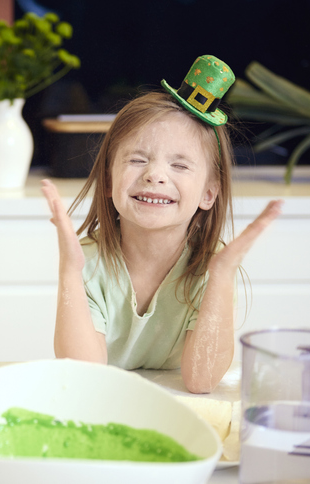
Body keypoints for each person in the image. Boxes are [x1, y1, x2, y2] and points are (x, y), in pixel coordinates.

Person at [41, 55, 283, 393]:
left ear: (209, 193)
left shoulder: (211, 266)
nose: (154, 175)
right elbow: (86, 378)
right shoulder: (89, 264)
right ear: (108, 181)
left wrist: (223, 275)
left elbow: (200, 381)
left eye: (180, 166)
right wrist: (69, 271)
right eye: (137, 159)